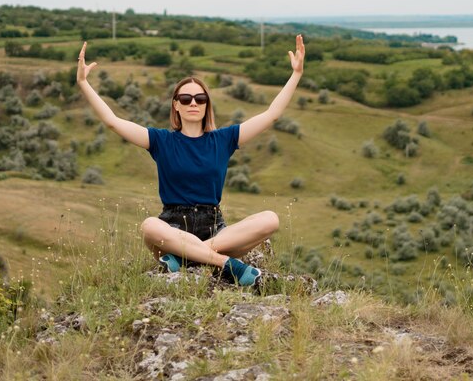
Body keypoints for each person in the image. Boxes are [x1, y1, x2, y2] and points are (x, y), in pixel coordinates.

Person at [76, 34, 306, 286]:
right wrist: (84, 83)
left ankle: (187, 258)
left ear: (207, 105)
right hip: (171, 227)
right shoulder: (160, 141)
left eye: (200, 98)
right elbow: (113, 122)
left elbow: (271, 115)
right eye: (185, 99)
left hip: (215, 229)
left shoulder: (224, 139)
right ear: (176, 105)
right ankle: (224, 264)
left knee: (270, 219)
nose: (193, 103)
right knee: (149, 226)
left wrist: (295, 75)